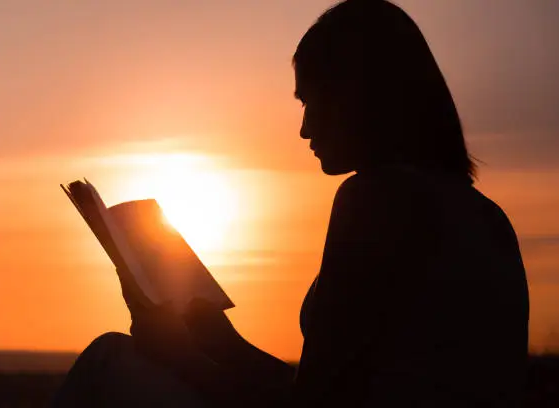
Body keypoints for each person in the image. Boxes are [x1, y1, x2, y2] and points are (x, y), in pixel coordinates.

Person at [52, 0, 530, 407]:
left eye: (311, 102)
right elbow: (329, 388)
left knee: (109, 360)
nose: (304, 129)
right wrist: (224, 344)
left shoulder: (377, 199)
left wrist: (175, 351)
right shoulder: (488, 218)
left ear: (358, 97)